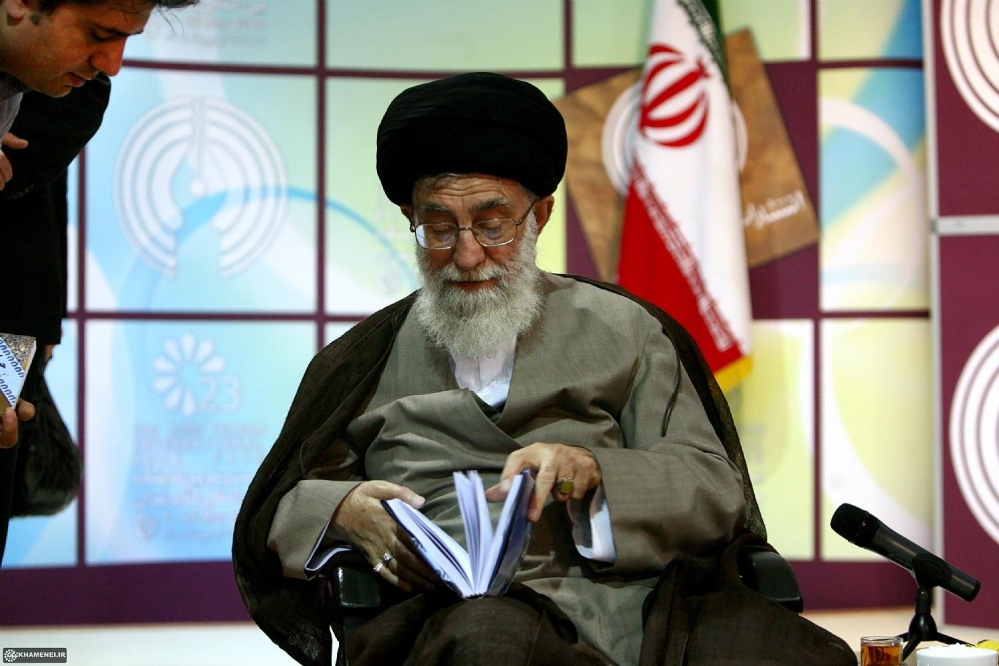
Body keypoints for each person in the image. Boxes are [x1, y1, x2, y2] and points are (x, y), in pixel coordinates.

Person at [233, 72, 760, 666]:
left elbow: (715, 490)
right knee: (489, 643)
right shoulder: (364, 359)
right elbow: (278, 506)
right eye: (439, 228)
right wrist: (342, 508)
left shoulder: (626, 330)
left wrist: (595, 473)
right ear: (409, 218)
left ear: (540, 214)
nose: (466, 255)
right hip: (444, 620)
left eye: (492, 225)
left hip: (629, 613)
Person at [0, 0, 199, 561]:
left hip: (14, 324)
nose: (111, 63)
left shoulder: (74, 90)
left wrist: (44, 330)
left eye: (125, 39)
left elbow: (41, 190)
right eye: (97, 33)